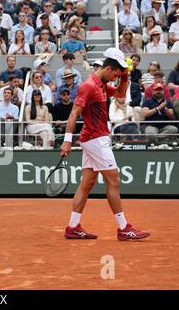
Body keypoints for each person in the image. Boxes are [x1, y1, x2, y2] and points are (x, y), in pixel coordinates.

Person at [60, 47, 150, 241]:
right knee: (114, 180)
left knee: (87, 183)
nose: (115, 77)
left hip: (93, 139)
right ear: (109, 68)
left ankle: (73, 226)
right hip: (96, 140)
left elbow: (119, 94)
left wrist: (125, 76)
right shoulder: (89, 85)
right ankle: (123, 228)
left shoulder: (101, 83)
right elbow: (74, 113)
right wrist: (67, 141)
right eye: (116, 73)